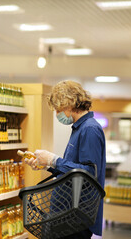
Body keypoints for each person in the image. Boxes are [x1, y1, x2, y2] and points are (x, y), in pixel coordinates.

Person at [25, 80, 106, 239]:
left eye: (57, 109)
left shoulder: (90, 129)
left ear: (68, 103)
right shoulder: (79, 128)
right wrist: (46, 163)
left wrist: (54, 159)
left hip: (77, 216)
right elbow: (73, 170)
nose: (57, 114)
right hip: (68, 214)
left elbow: (89, 173)